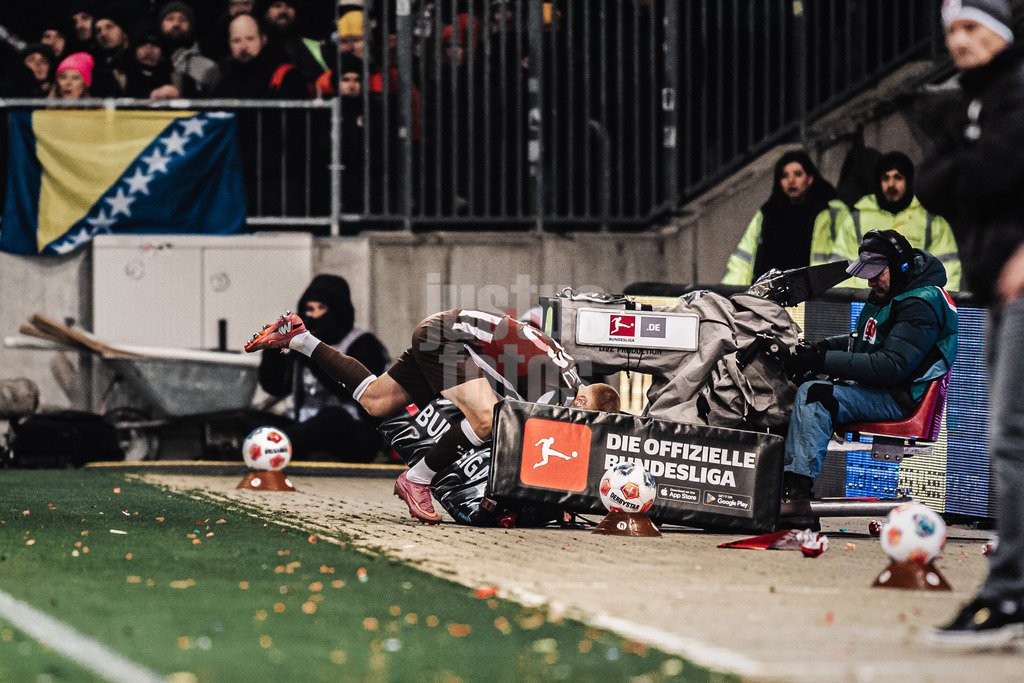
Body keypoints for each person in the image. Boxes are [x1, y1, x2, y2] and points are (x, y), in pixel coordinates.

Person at [245, 307, 621, 524]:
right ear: (584, 407)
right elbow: (531, 457)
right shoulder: (560, 398)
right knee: (489, 421)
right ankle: (417, 479)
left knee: (377, 400)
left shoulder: (569, 376)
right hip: (448, 338)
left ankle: (297, 336)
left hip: (444, 331)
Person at [916, 0, 1024, 648]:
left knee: (1010, 438)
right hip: (995, 289)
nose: (959, 41)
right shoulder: (976, 102)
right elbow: (938, 186)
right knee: (1009, 440)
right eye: (951, 30)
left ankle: (1008, 591)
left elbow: (975, 180)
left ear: (1002, 33)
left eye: (972, 28)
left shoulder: (1015, 93)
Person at [780, 229, 958, 530]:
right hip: (882, 390)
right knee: (792, 389)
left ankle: (796, 502)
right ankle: (777, 490)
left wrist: (821, 361)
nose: (870, 281)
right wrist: (819, 349)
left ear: (900, 266)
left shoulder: (919, 304)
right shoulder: (894, 290)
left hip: (899, 399)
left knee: (816, 395)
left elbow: (890, 366)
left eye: (877, 273)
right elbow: (862, 342)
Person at [252, 275, 390, 463]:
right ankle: (282, 446)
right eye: (309, 309)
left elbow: (356, 391)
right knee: (250, 420)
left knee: (333, 418)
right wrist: (271, 350)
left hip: (352, 428)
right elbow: (275, 388)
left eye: (321, 309)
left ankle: (274, 449)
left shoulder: (363, 344)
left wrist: (313, 354)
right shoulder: (303, 344)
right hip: (302, 423)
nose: (314, 316)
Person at [722, 150, 852, 285]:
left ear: (810, 178)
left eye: (798, 174)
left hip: (815, 297)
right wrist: (730, 296)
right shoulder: (767, 214)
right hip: (769, 297)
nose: (791, 181)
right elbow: (742, 262)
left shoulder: (832, 212)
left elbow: (847, 256)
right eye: (784, 176)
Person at [837, 151, 962, 290]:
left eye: (898, 177)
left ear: (908, 180)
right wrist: (853, 303)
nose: (891, 184)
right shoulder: (855, 220)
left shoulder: (932, 222)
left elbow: (948, 269)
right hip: (866, 303)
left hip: (916, 303)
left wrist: (933, 302)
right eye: (885, 178)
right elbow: (843, 268)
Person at [213, 12, 309, 99]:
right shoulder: (225, 82)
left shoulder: (287, 77)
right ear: (229, 44)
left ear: (263, 40)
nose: (243, 47)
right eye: (236, 40)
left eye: (250, 39)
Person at [157, 1, 220, 95]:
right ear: (161, 24)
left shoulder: (208, 67)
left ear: (191, 26)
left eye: (182, 19)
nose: (176, 24)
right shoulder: (150, 62)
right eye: (170, 19)